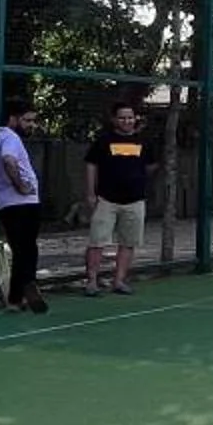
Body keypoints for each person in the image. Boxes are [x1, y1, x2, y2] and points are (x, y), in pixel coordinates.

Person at [80, 100, 156, 296]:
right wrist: (90, 193)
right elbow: (91, 165)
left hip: (135, 200)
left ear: (135, 119)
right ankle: (92, 282)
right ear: (114, 119)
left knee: (128, 242)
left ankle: (119, 281)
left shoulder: (144, 142)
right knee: (97, 241)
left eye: (130, 117)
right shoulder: (103, 141)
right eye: (122, 118)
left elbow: (151, 166)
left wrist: (136, 180)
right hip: (106, 200)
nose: (127, 121)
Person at [0, 97, 50, 313]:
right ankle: (28, 282)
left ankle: (15, 299)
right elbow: (9, 160)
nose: (32, 125)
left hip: (4, 202)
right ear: (13, 119)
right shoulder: (10, 138)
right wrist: (21, 186)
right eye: (27, 120)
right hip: (22, 202)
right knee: (28, 248)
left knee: (21, 249)